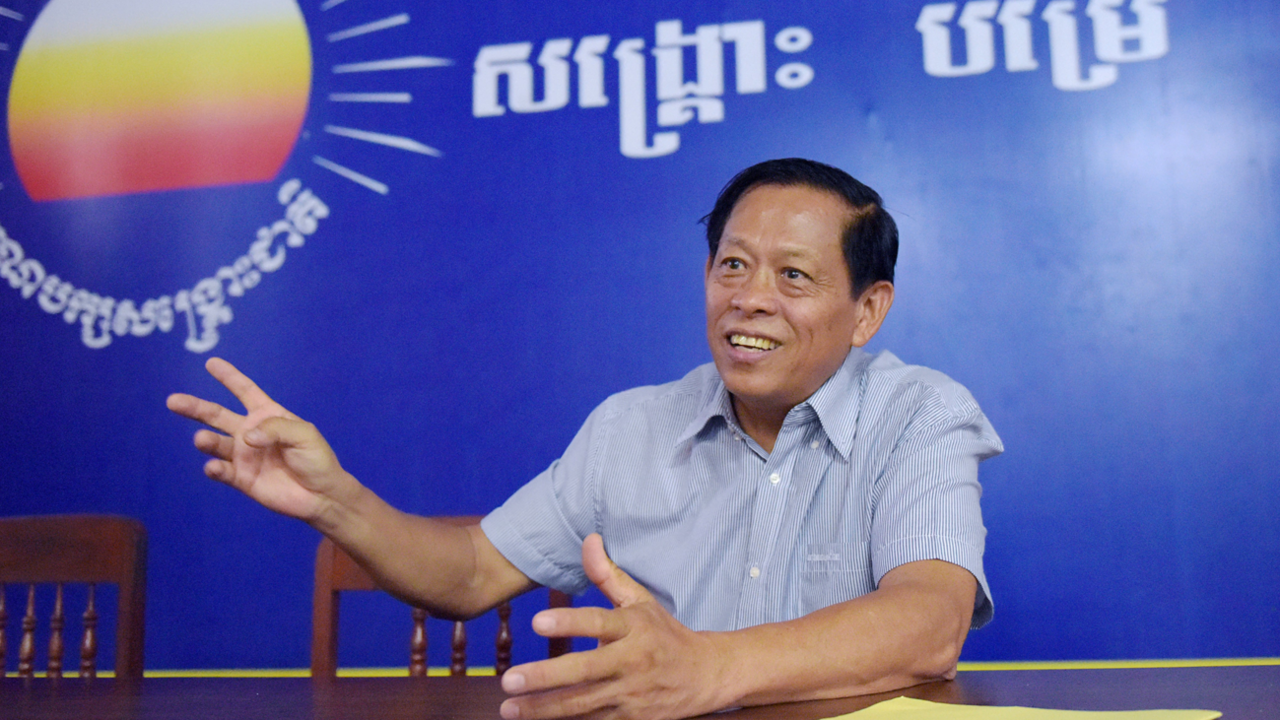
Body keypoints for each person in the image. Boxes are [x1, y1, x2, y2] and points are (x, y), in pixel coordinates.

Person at [168, 158, 1002, 720]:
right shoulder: (631, 427)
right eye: (732, 266)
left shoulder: (920, 413)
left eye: (794, 275)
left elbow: (929, 622)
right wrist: (336, 502)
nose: (750, 298)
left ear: (867, 310)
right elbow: (469, 573)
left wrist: (708, 667)